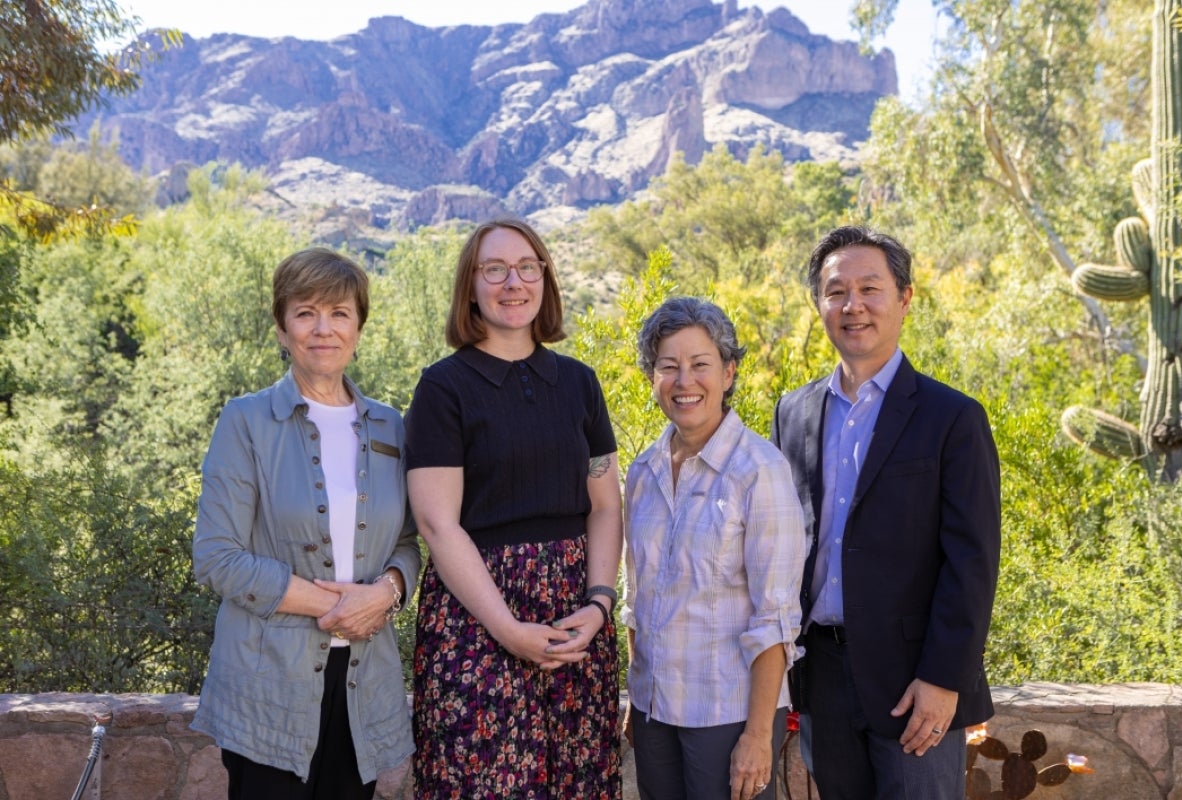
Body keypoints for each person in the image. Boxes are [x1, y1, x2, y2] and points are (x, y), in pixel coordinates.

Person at [770, 225, 1001, 800]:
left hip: (914, 683)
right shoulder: (792, 413)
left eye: (870, 288)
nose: (853, 306)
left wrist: (943, 678)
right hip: (820, 675)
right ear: (819, 303)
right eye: (835, 291)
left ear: (904, 298)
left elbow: (972, 562)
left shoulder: (952, 418)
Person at [191, 247, 422, 800]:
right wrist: (342, 607)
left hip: (363, 686)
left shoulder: (392, 426)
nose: (324, 329)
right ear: (281, 327)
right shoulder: (245, 421)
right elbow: (217, 557)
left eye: (340, 313)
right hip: (266, 685)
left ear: (359, 327)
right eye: (306, 312)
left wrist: (387, 591)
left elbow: (410, 543)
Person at [404, 218, 623, 798]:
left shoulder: (579, 383)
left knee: (579, 782)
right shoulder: (443, 388)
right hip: (476, 621)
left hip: (576, 619)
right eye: (494, 269)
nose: (513, 282)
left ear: (544, 279)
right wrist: (506, 628)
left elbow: (604, 505)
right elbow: (435, 522)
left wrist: (600, 604)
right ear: (470, 286)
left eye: (528, 267)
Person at [623, 297, 807, 800]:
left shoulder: (759, 471)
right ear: (652, 377)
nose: (685, 381)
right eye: (669, 366)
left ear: (728, 373)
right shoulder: (643, 473)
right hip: (654, 713)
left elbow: (776, 618)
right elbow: (636, 600)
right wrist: (637, 701)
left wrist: (757, 735)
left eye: (700, 365)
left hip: (727, 716)